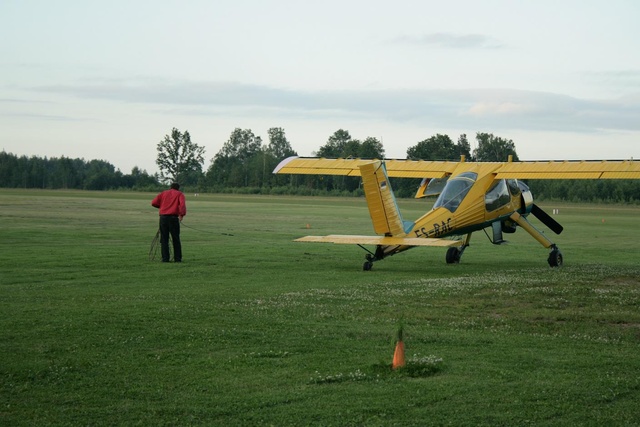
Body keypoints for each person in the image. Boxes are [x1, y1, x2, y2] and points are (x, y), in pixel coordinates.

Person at [151, 183, 187, 262]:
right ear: (178, 188)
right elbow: (182, 205)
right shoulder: (180, 194)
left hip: (163, 218)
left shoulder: (163, 193)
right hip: (173, 218)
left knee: (164, 239)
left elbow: (153, 203)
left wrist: (162, 207)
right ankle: (177, 259)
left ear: (170, 187)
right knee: (175, 239)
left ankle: (165, 258)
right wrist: (181, 215)